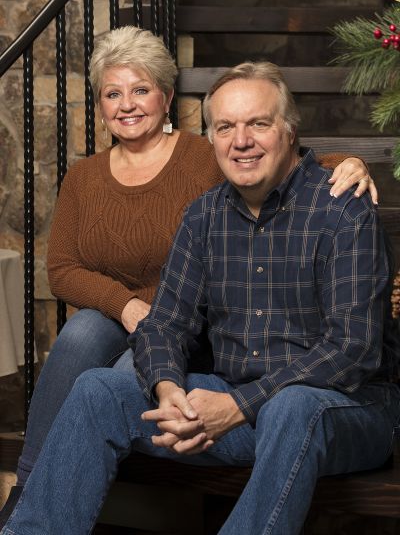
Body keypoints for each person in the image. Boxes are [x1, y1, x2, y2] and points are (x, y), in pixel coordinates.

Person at [1, 61, 398, 535]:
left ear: (290, 131)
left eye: (258, 123)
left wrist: (237, 406)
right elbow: (165, 324)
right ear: (211, 138)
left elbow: (353, 349)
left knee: (291, 407)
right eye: (225, 127)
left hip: (344, 412)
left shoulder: (343, 210)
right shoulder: (203, 217)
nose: (241, 140)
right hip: (232, 407)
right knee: (98, 390)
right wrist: (169, 390)